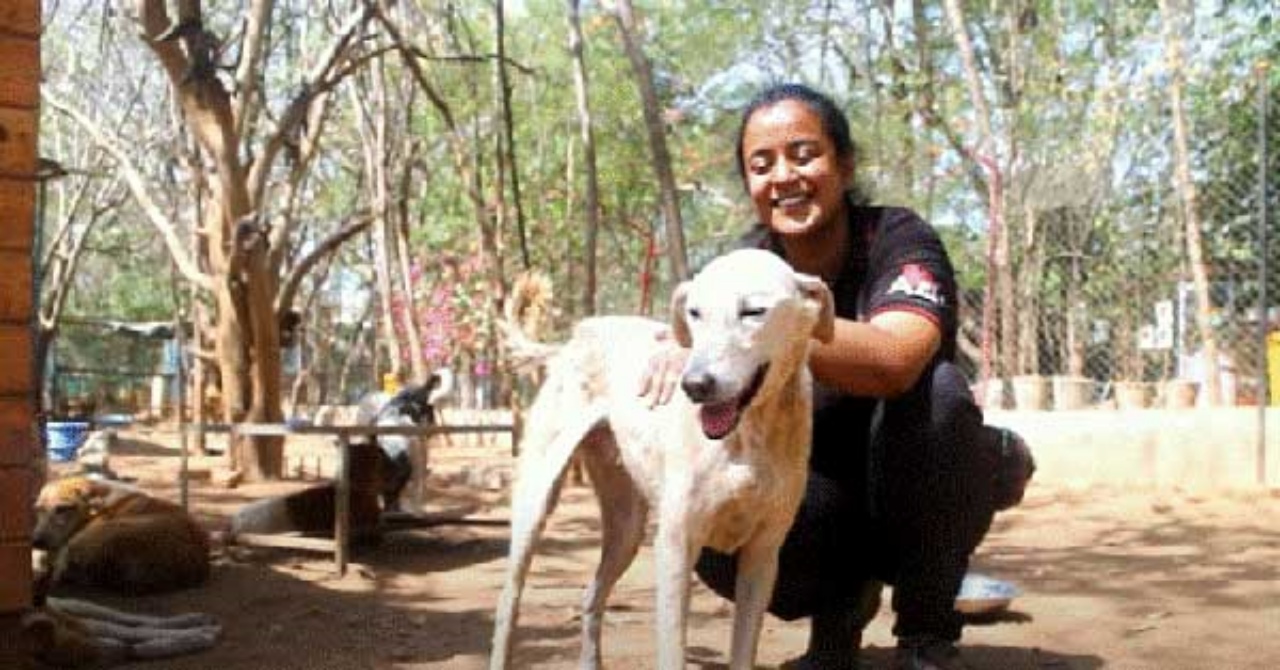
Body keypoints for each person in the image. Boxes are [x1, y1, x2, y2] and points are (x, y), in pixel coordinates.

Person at [640, 83, 1034, 670]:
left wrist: (776, 327)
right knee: (717, 511)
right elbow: (694, 345)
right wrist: (689, 346)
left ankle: (926, 632)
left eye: (804, 154)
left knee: (941, 398)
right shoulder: (739, 271)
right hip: (814, 498)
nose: (784, 176)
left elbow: (897, 359)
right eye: (762, 164)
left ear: (845, 164)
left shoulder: (898, 239)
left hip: (903, 473)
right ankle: (839, 623)